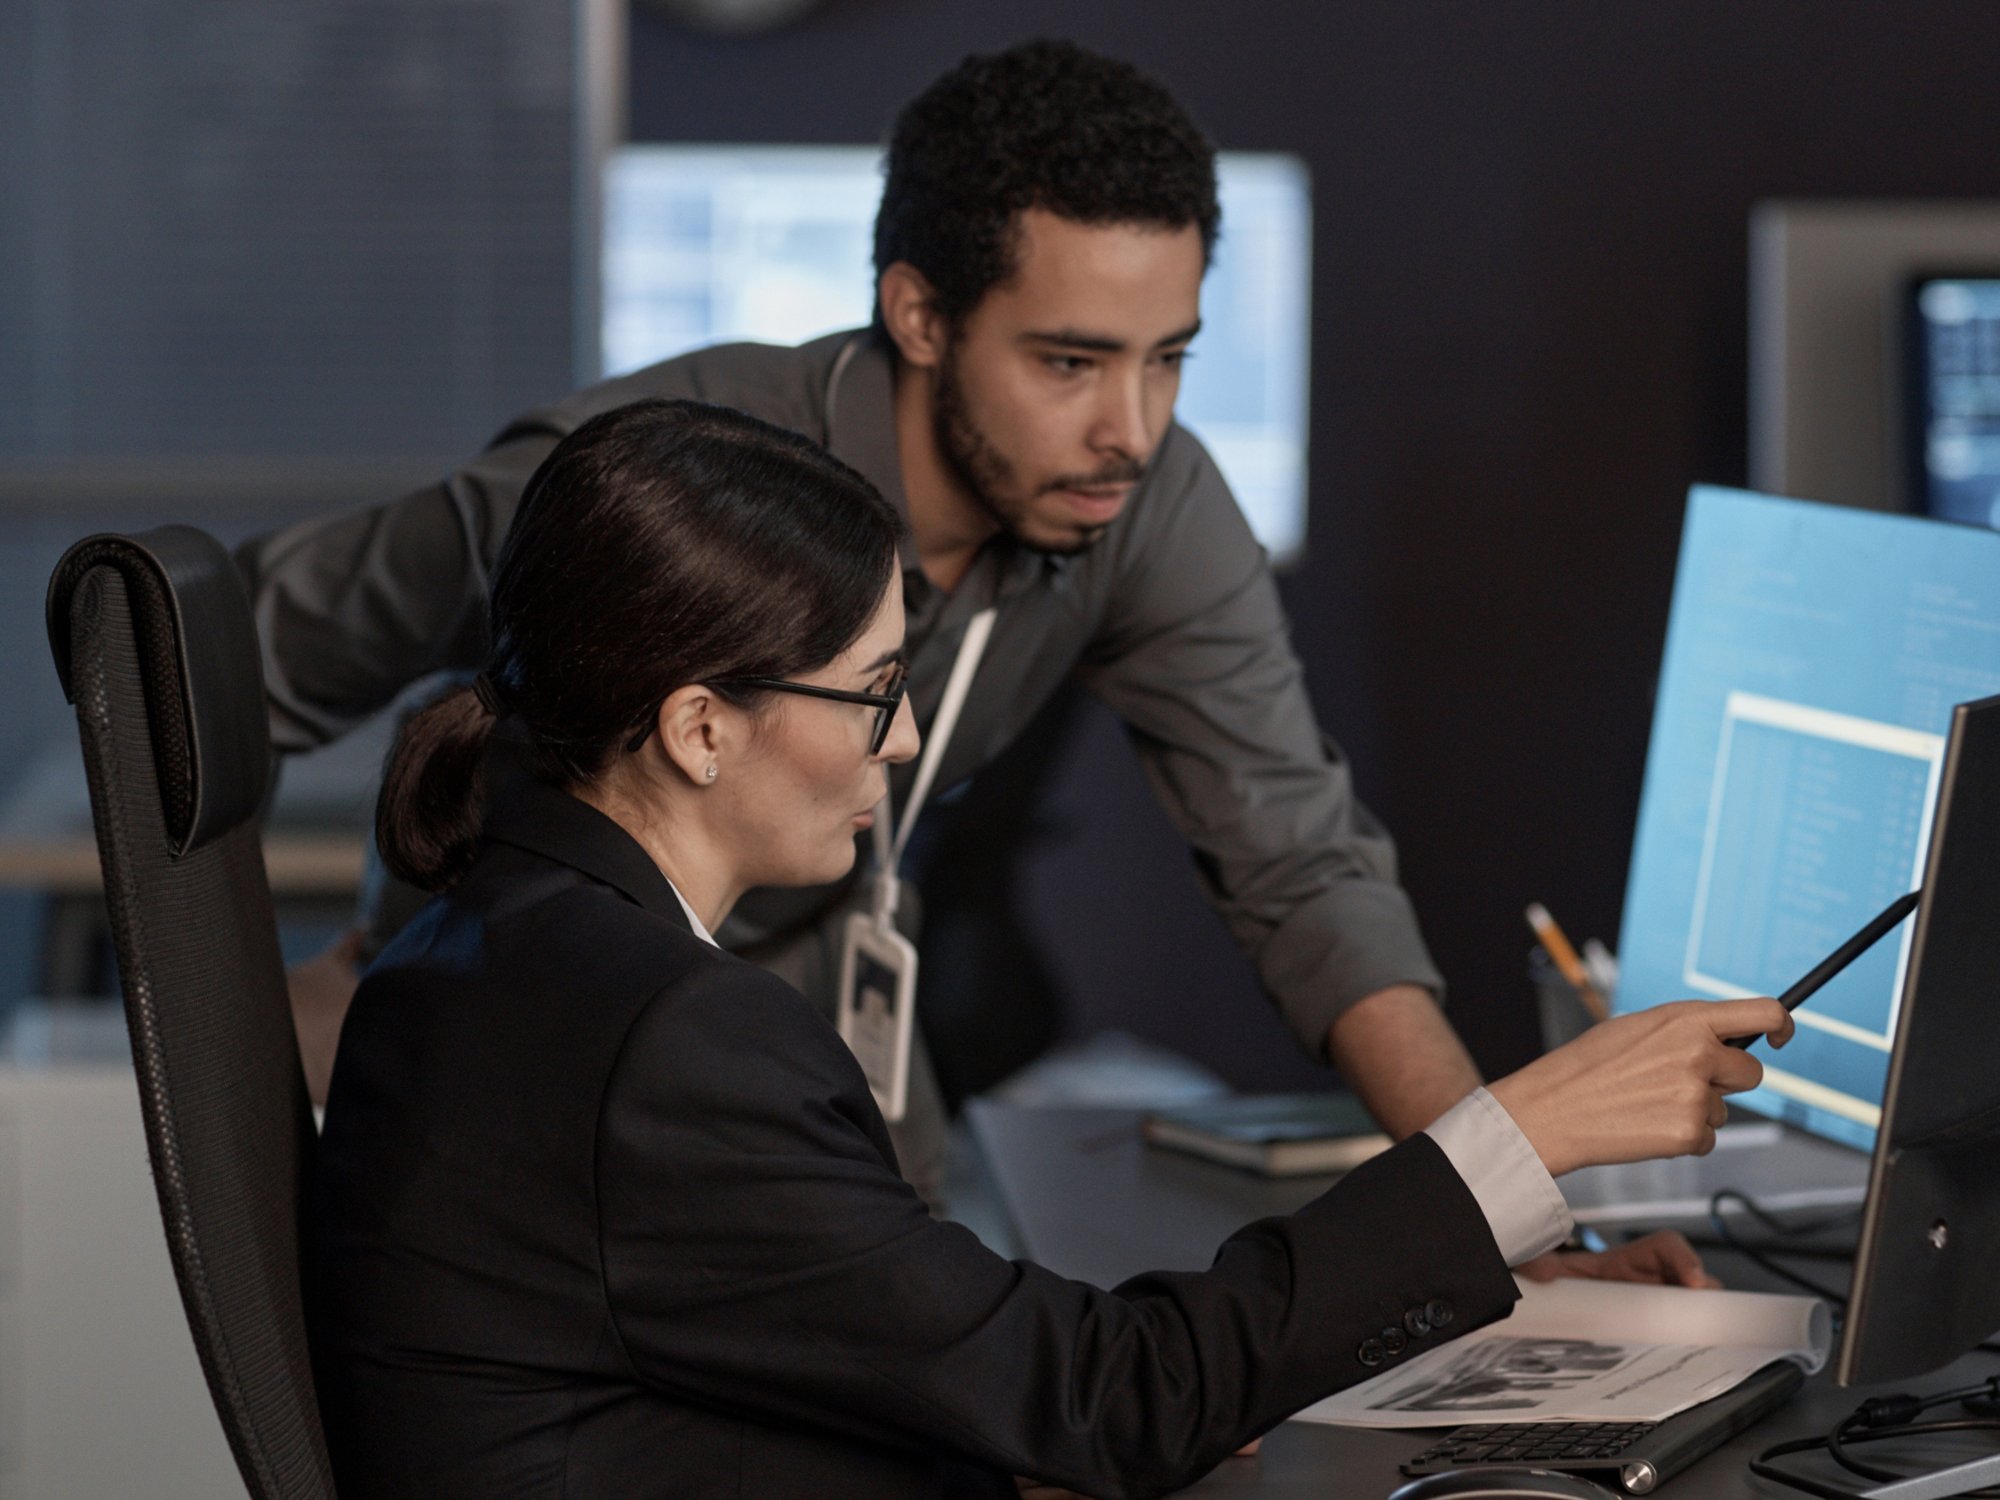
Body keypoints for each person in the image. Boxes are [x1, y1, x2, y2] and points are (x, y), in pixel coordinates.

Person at [246, 41, 1672, 1241]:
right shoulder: (655, 484)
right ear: (919, 312)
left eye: (1168, 354)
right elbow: (233, 656)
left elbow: (1297, 860)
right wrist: (248, 1015)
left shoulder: (1142, 499)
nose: (1136, 425)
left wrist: (1518, 1230)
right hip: (538, 1058)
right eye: (1069, 361)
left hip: (820, 1043)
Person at [313, 397, 1794, 1499]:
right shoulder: (666, 1038)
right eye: (871, 690)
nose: (899, 741)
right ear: (701, 726)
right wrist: (1522, 1138)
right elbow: (1110, 1402)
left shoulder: (481, 948)